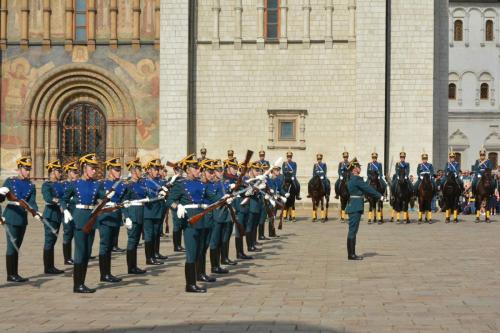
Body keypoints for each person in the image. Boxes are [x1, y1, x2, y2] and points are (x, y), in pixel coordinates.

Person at [166, 154, 219, 293]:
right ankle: (190, 284)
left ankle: (196, 278)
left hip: (201, 220)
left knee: (199, 251)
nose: (198, 170)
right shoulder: (180, 184)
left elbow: (213, 197)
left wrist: (227, 197)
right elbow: (169, 200)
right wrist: (178, 207)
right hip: (189, 222)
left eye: (198, 168)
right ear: (188, 169)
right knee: (191, 253)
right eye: (195, 168)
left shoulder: (201, 184)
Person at [61, 153, 111, 293]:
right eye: (92, 168)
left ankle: (81, 283)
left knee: (87, 252)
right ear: (84, 167)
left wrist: (109, 196)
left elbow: (103, 197)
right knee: (80, 252)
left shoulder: (96, 184)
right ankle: (78, 285)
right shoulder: (74, 184)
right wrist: (65, 210)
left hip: (91, 218)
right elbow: (63, 199)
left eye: (95, 168)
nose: (94, 171)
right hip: (79, 219)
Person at [2, 156, 40, 282]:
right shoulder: (10, 181)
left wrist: (36, 212)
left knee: (17, 245)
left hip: (22, 217)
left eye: (29, 169)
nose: (28, 171)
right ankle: (10, 274)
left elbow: (32, 202)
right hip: (11, 215)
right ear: (19, 169)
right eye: (26, 168)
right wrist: (1, 193)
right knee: (12, 245)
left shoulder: (30, 185)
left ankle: (15, 273)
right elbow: (1, 198)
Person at [97, 157, 129, 283]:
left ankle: (108, 273)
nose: (118, 172)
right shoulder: (101, 184)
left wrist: (126, 216)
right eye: (116, 170)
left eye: (119, 170)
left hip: (116, 217)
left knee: (110, 246)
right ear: (109, 170)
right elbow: (96, 200)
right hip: (105, 217)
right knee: (104, 245)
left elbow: (124, 200)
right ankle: (104, 274)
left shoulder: (122, 185)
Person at [345, 158, 383, 260]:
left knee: (353, 230)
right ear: (354, 169)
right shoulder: (356, 179)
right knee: (353, 230)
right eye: (358, 167)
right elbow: (368, 189)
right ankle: (351, 255)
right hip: (355, 206)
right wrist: (380, 196)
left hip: (353, 206)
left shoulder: (352, 179)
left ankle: (351, 254)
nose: (359, 168)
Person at [123, 158, 147, 275]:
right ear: (133, 171)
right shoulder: (128, 185)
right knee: (132, 241)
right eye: (139, 170)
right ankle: (131, 267)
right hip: (132, 214)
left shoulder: (141, 184)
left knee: (136, 241)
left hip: (140, 213)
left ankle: (134, 265)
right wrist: (126, 217)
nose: (141, 172)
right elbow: (124, 202)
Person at [41, 160, 65, 274]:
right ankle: (48, 267)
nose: (61, 173)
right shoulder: (47, 185)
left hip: (57, 215)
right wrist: (59, 201)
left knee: (53, 241)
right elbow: (48, 198)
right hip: (50, 215)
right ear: (52, 172)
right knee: (49, 241)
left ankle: (51, 266)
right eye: (59, 171)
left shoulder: (61, 184)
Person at [61, 161, 79, 265]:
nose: (76, 174)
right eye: (74, 172)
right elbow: (62, 198)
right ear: (68, 172)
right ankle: (67, 258)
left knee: (77, 233)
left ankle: (79, 254)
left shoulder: (78, 184)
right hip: (67, 211)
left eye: (77, 172)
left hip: (76, 211)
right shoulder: (64, 184)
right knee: (68, 233)